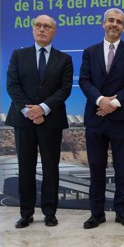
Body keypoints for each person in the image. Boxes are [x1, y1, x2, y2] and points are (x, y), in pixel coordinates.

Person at [5, 14, 73, 228]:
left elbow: (65, 89)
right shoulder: (18, 55)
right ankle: (26, 213)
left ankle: (50, 212)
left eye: (47, 26)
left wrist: (43, 108)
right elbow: (12, 85)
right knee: (26, 166)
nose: (42, 29)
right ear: (33, 29)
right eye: (38, 25)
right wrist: (30, 110)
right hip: (23, 119)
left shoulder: (64, 59)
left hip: (51, 120)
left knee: (51, 167)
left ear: (54, 31)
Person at [79, 8, 124, 229]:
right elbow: (84, 81)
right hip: (95, 118)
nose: (115, 24)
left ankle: (121, 212)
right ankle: (96, 213)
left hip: (121, 118)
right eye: (111, 21)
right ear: (103, 24)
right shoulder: (89, 52)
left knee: (122, 167)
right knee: (96, 167)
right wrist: (100, 101)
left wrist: (113, 104)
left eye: (119, 22)